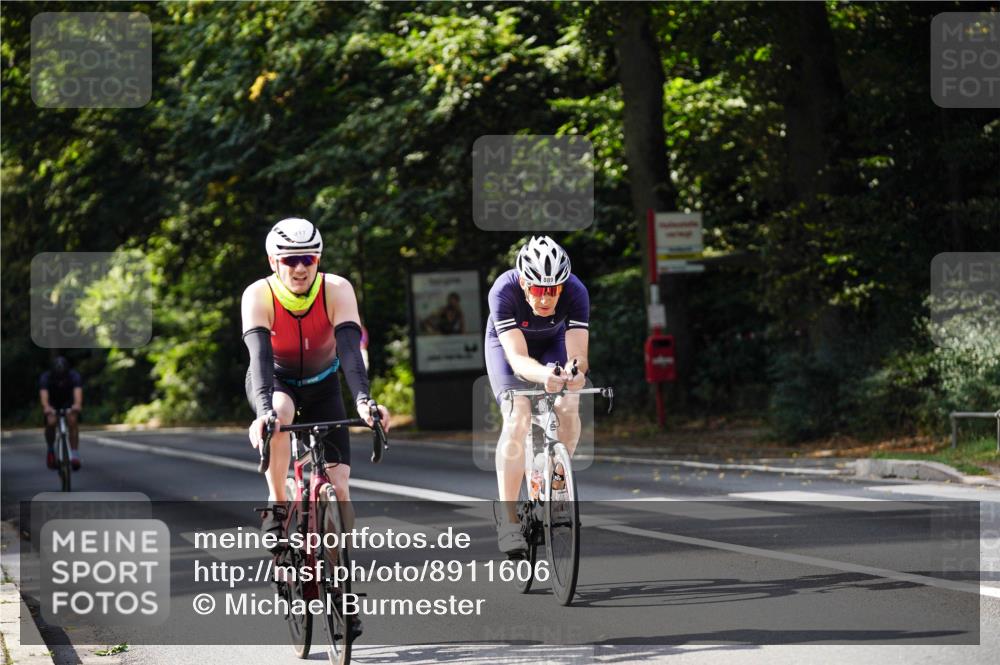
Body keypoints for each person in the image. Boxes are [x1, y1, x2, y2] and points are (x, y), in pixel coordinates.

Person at [241, 218, 390, 548]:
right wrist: (264, 412)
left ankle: (338, 575)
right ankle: (277, 506)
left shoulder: (337, 290)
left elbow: (351, 352)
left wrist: (365, 402)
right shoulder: (258, 295)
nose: (299, 268)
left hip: (323, 384)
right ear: (272, 262)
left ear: (318, 260)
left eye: (307, 259)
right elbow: (260, 359)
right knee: (279, 413)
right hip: (276, 382)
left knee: (340, 487)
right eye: (289, 260)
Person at [484, 236, 589, 554]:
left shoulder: (576, 291)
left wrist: (575, 373)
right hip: (510, 349)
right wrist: (545, 375)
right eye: (539, 289)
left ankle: (555, 484)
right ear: (523, 282)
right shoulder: (503, 291)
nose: (546, 298)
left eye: (554, 290)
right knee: (519, 413)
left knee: (570, 402)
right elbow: (516, 360)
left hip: (553, 342)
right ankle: (510, 520)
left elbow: (579, 356)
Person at [39, 356, 84, 470]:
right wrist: (46, 407)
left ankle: (74, 455)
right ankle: (50, 449)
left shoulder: (74, 376)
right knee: (51, 422)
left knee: (72, 420)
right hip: (52, 403)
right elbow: (44, 395)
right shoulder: (46, 377)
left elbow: (77, 393)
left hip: (68, 403)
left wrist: (77, 405)